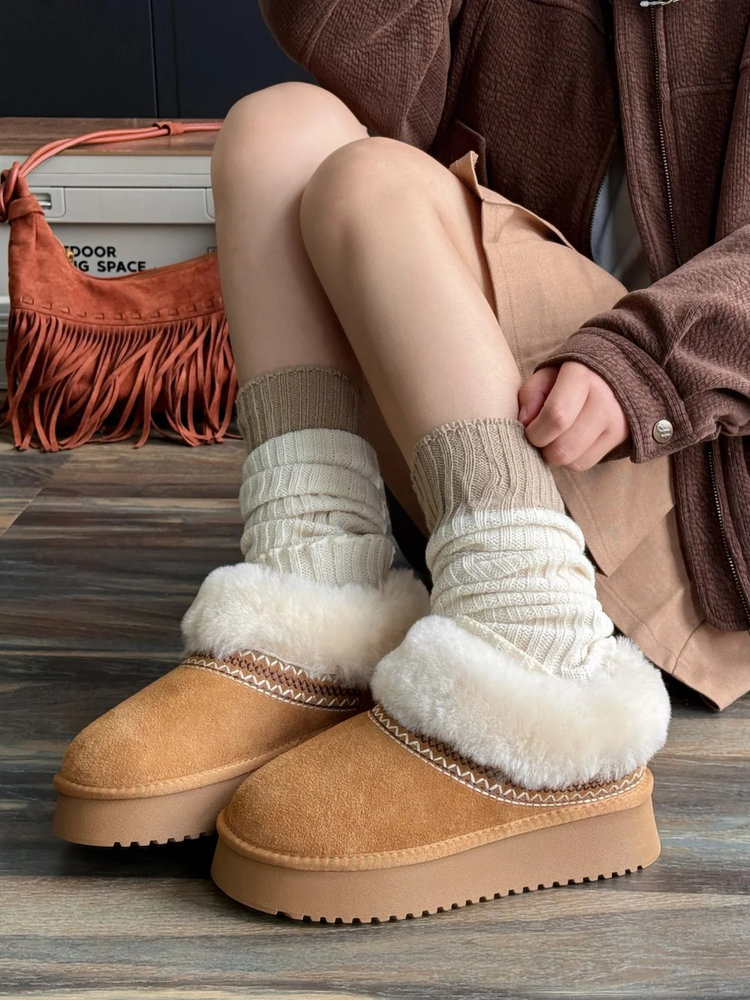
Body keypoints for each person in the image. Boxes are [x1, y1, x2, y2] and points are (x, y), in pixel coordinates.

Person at [52, 0, 749, 921]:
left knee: (371, 183)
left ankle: (541, 671)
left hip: (703, 487)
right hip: (500, 461)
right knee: (276, 131)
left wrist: (651, 367)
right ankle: (318, 602)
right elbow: (385, 85)